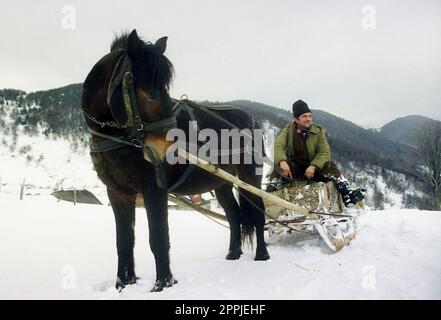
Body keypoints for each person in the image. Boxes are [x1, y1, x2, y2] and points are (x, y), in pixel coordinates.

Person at [270, 99, 366, 207]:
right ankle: (269, 192)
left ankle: (347, 194)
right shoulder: (288, 130)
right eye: (304, 116)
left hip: (313, 170)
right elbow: (278, 146)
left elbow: (324, 152)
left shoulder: (318, 131)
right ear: (296, 119)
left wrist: (313, 166)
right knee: (278, 166)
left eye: (309, 116)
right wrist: (282, 162)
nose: (308, 119)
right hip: (295, 168)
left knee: (329, 165)